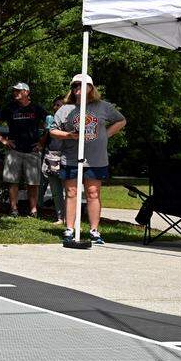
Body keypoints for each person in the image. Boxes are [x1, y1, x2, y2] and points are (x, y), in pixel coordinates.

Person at [49, 74, 126, 245]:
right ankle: (69, 228)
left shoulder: (103, 107)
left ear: (91, 87)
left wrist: (106, 134)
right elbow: (53, 131)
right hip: (71, 157)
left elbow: (121, 120)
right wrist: (69, 135)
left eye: (82, 85)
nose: (78, 89)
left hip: (95, 158)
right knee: (71, 193)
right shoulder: (65, 109)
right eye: (75, 86)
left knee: (93, 193)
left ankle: (94, 231)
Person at [0, 82, 46, 217]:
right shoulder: (10, 108)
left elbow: (49, 126)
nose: (15, 93)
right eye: (14, 91)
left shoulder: (37, 108)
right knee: (12, 181)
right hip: (14, 150)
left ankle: (34, 210)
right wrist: (3, 140)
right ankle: (13, 208)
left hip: (32, 150)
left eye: (18, 90)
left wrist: (41, 143)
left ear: (27, 92)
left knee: (33, 182)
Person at [40, 96, 66, 226]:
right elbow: (43, 142)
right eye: (55, 105)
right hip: (50, 157)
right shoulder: (50, 120)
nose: (56, 108)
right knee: (56, 191)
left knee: (69, 190)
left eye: (59, 105)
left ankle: (70, 217)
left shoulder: (70, 121)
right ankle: (60, 217)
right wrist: (47, 130)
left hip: (66, 157)